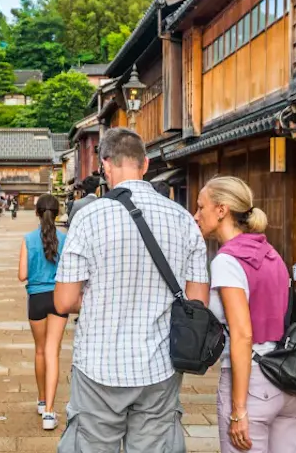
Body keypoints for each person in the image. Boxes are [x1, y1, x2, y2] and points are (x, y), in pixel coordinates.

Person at [54, 128, 210, 452]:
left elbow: (65, 300)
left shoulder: (88, 217)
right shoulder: (183, 219)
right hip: (160, 365)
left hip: (98, 363)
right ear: (145, 163)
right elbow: (198, 303)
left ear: (105, 165)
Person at [194, 176, 296, 453]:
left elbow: (243, 335)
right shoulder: (270, 252)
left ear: (221, 210)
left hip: (254, 382)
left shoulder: (228, 260)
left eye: (200, 207)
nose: (196, 216)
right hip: (288, 379)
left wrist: (238, 410)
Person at [18, 195, 69, 431]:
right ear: (57, 214)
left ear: (37, 213)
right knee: (53, 352)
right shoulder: (65, 238)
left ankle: (40, 401)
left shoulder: (28, 239)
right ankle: (50, 412)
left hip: (36, 298)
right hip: (58, 298)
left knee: (39, 350)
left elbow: (22, 275)